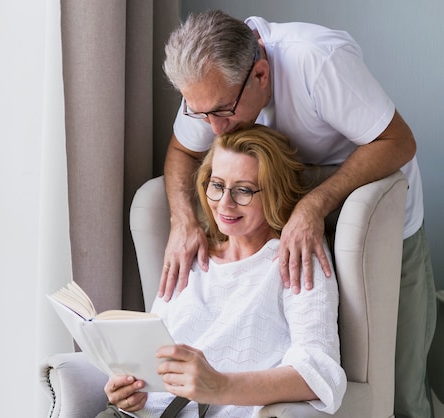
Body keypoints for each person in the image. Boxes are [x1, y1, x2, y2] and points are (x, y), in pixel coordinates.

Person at [159, 10, 436, 418]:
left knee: (401, 383)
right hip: (271, 205)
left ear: (261, 75)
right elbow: (182, 151)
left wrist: (313, 204)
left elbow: (398, 141)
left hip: (368, 203)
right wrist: (182, 219)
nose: (216, 130)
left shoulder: (319, 62)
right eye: (202, 114)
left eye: (222, 111)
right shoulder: (212, 89)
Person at [95, 126, 347, 418]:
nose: (224, 203)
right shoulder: (188, 254)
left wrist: (218, 385)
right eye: (217, 185)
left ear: (275, 192)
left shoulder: (294, 258)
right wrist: (128, 390)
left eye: (243, 190)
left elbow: (319, 372)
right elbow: (153, 357)